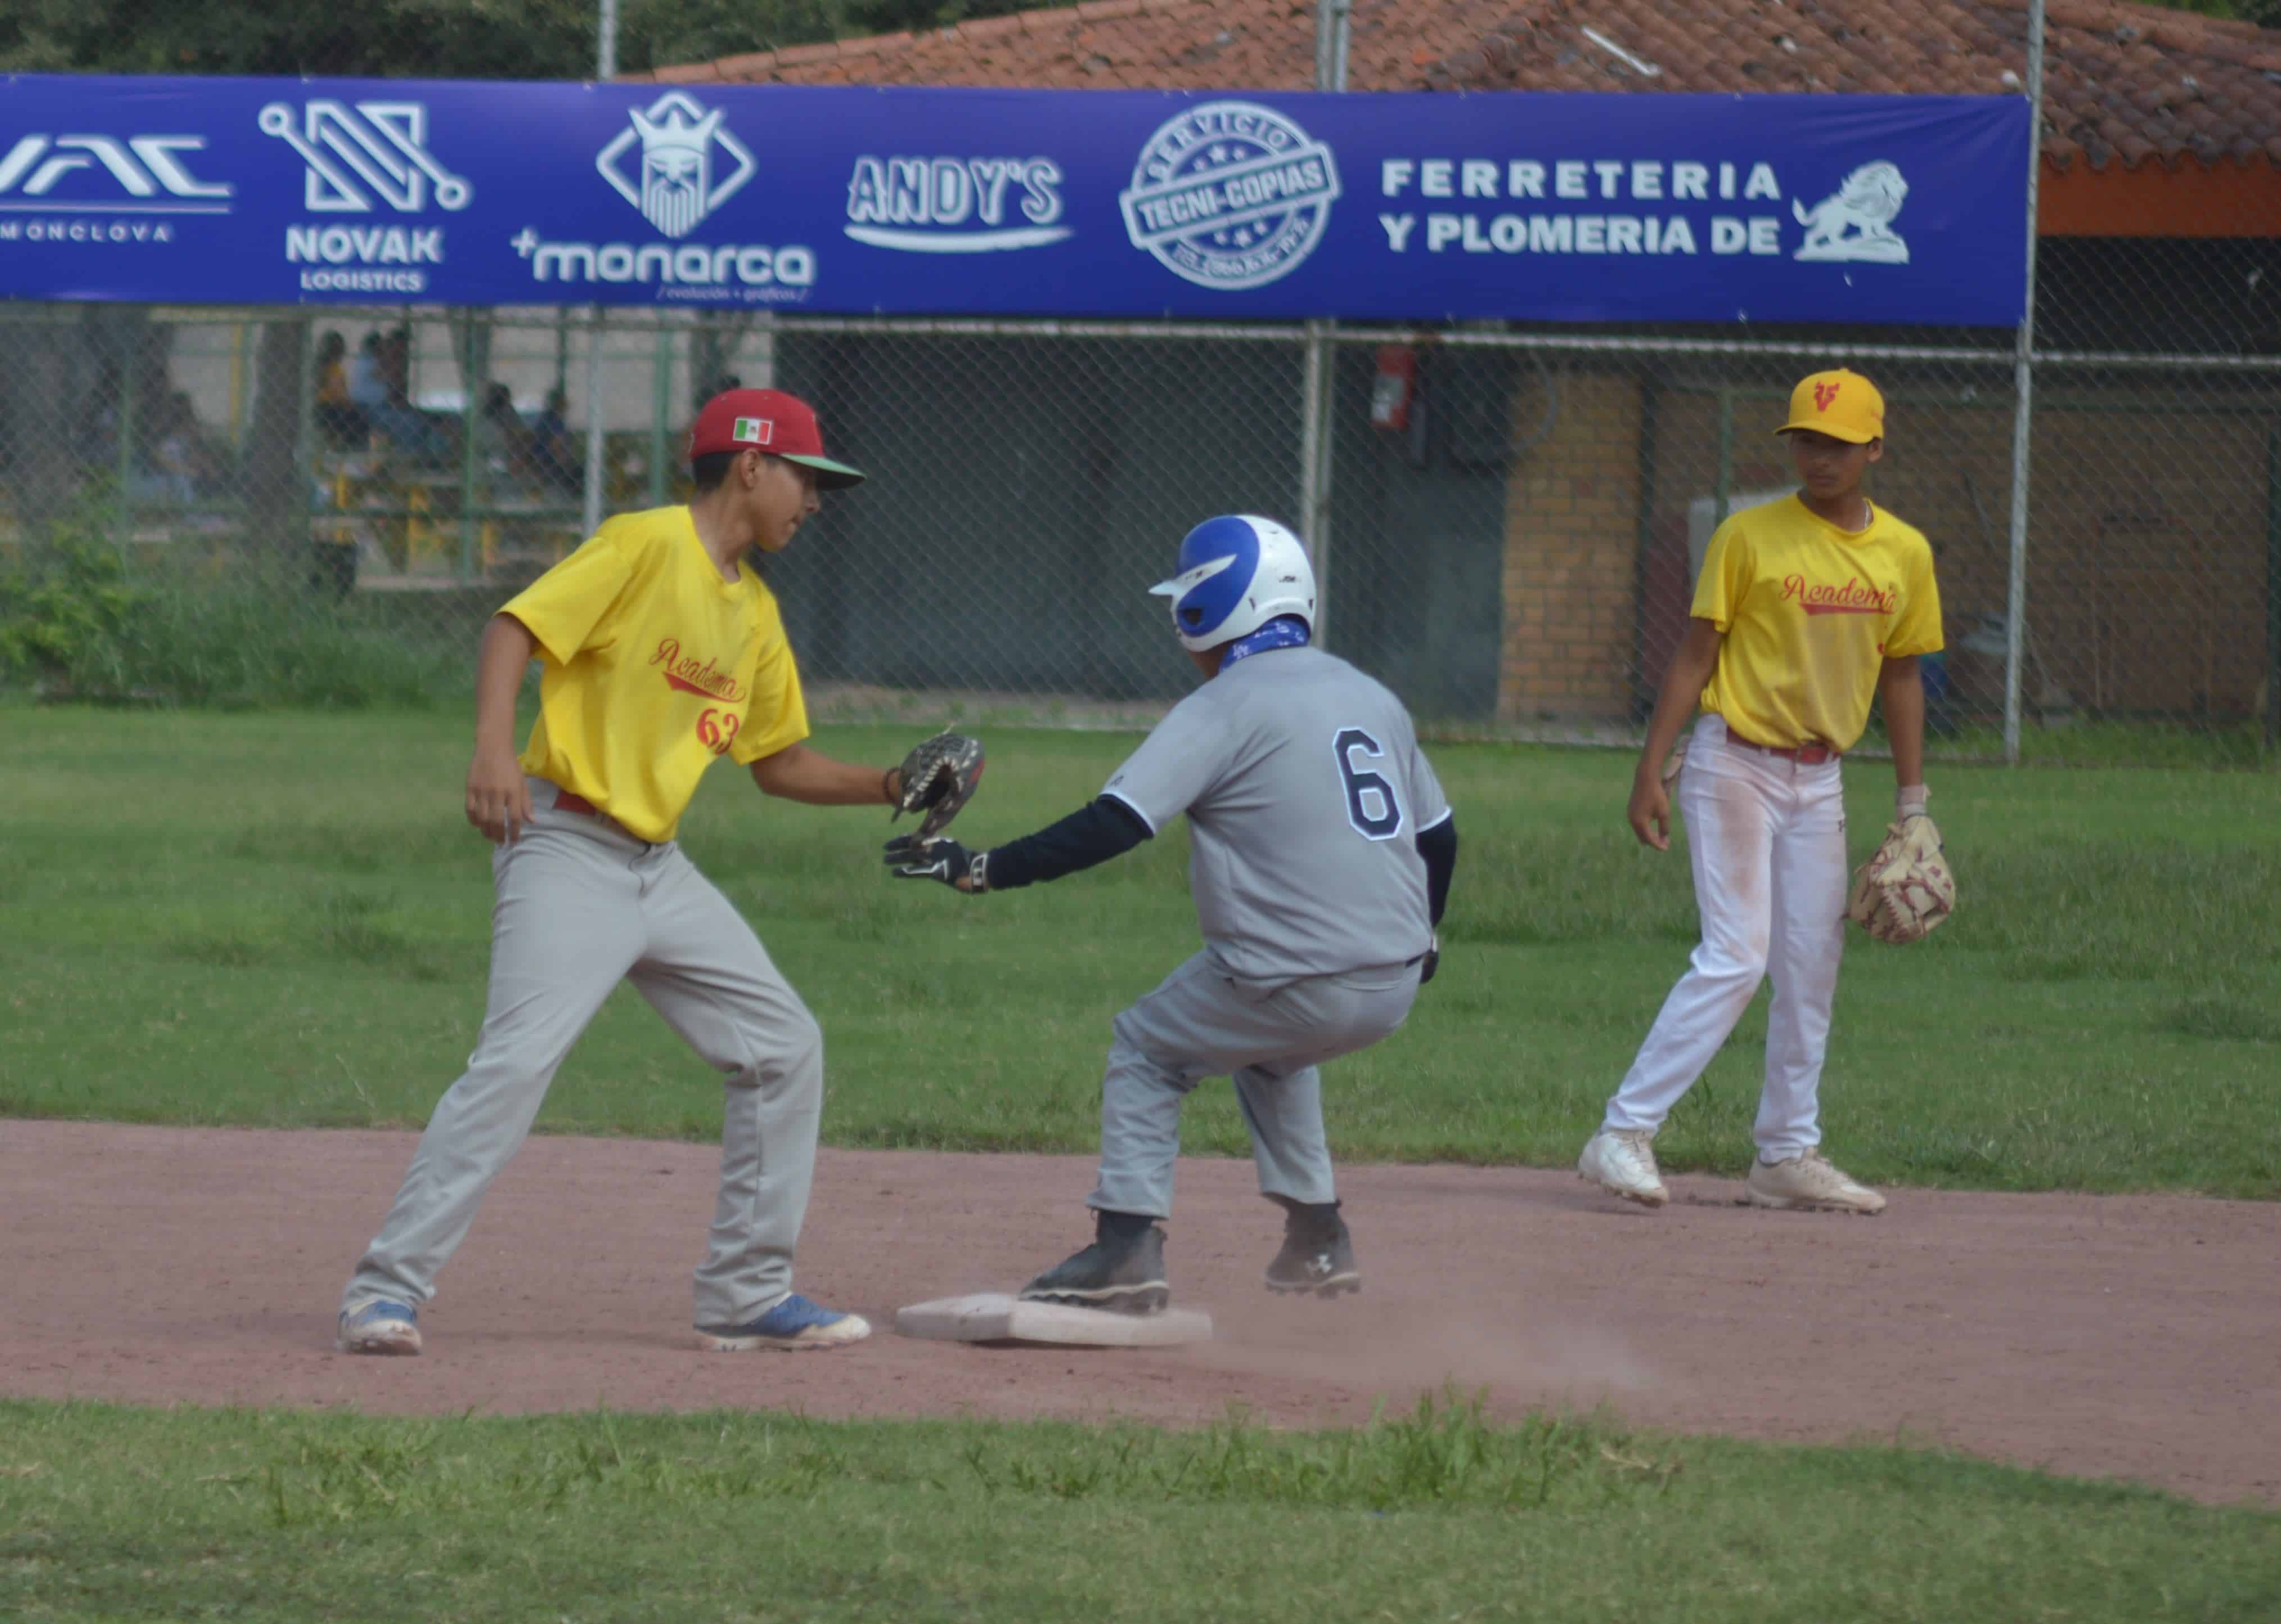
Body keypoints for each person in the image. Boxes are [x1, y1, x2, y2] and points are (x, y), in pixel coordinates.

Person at [338, 387, 956, 1357]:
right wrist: (494, 750)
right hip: (564, 846)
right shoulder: (645, 544)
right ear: (751, 464)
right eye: (807, 476)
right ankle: (384, 1291)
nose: (817, 499)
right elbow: (515, 629)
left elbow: (780, 765)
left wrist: (891, 783)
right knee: (514, 1065)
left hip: (657, 870)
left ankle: (746, 1293)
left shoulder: (754, 612)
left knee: (784, 1047)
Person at [886, 515, 1458, 1312]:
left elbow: (1113, 823)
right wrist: (1424, 935)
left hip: (1290, 976)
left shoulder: (1225, 705)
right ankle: (1319, 1238)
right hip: (1392, 981)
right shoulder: (1372, 695)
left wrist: (981, 868)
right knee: (1271, 1047)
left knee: (1148, 1047)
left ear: (1212, 610)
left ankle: (1125, 1249)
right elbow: (1439, 833)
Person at [1577, 369, 1943, 1217]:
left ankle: (1784, 1154)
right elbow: (1694, 655)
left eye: (1839, 443)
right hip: (1732, 763)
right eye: (1806, 441)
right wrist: (1651, 765)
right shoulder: (1748, 536)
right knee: (1739, 954)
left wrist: (1913, 801)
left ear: (1874, 449)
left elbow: (1905, 677)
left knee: (1812, 966)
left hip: (1821, 779)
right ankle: (1623, 1131)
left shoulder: (1905, 552)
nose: (1820, 456)